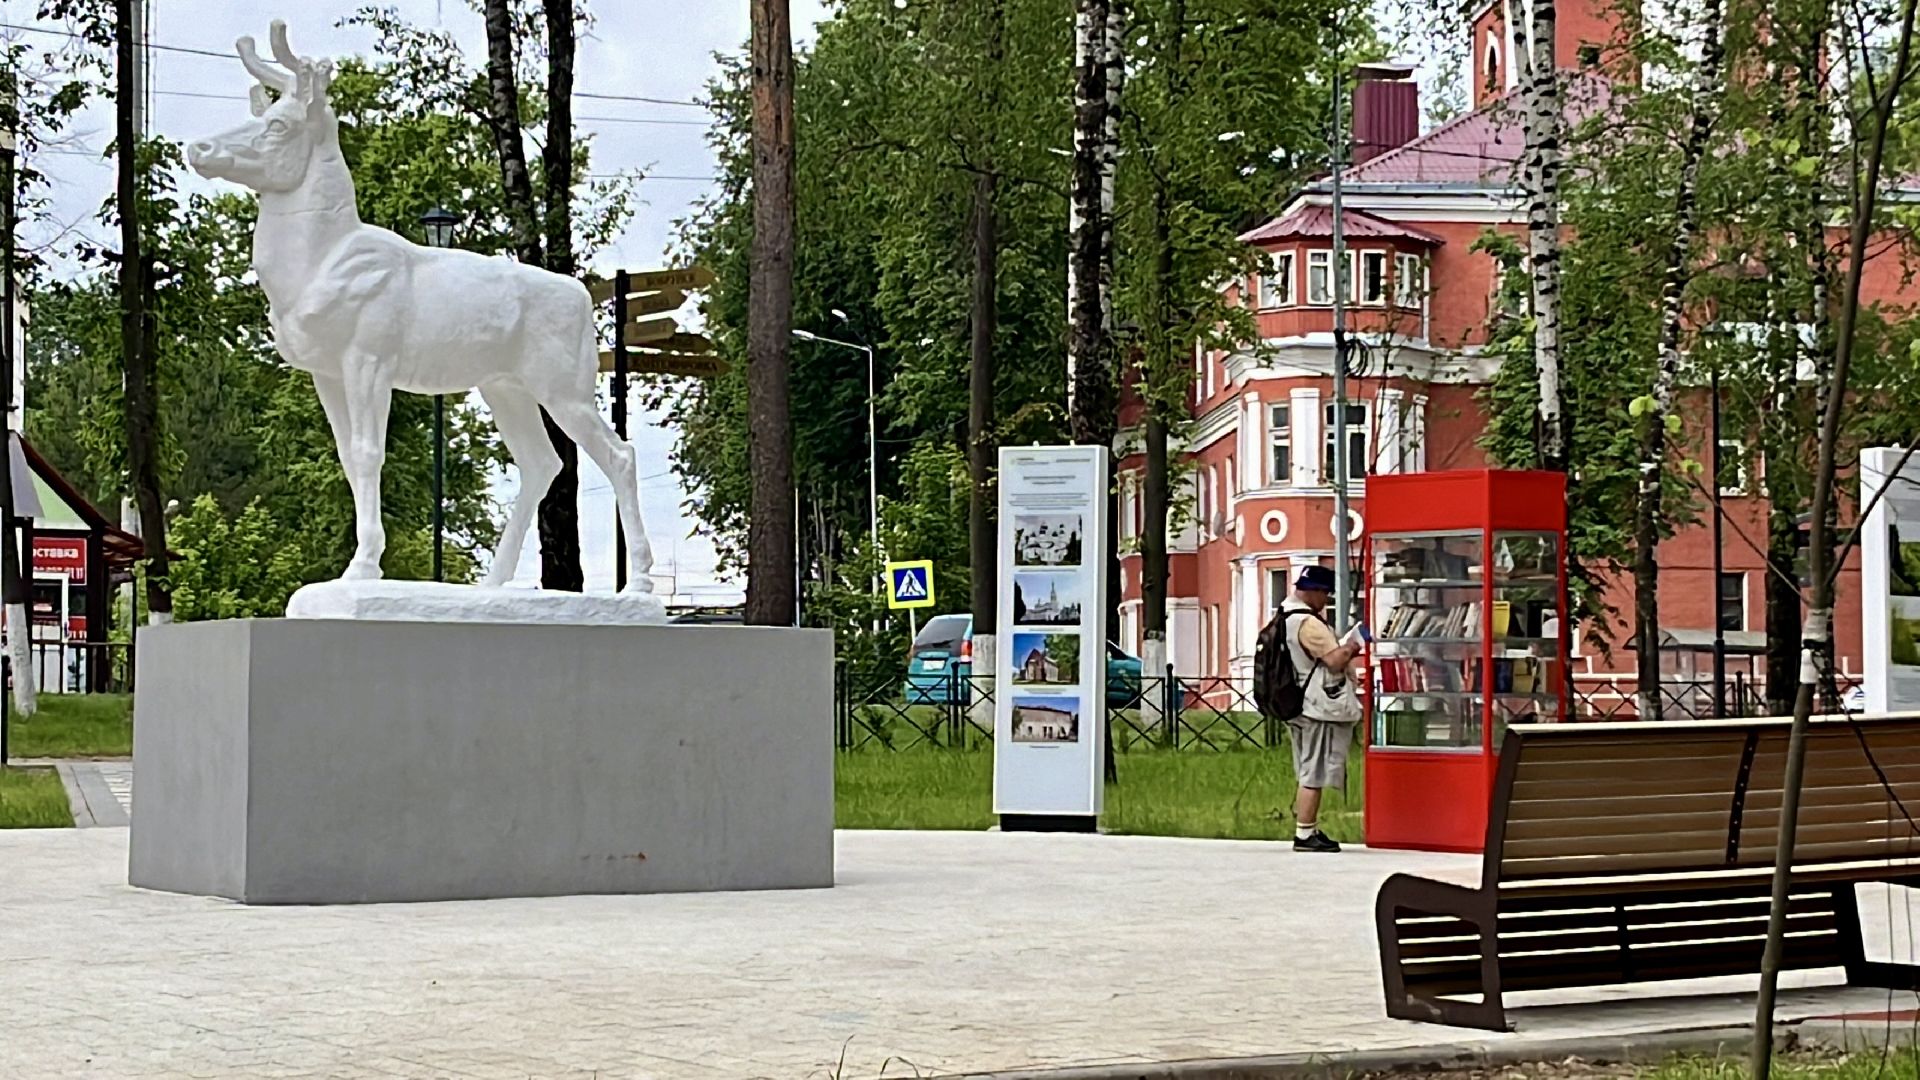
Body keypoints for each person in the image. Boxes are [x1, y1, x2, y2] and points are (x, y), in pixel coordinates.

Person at [1279, 565, 1365, 853]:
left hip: (1301, 702)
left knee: (1308, 766)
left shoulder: (1286, 616)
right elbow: (1334, 660)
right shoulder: (1308, 624)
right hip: (1318, 706)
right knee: (1313, 770)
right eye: (1324, 593)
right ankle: (1305, 833)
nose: (1325, 599)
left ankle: (1309, 828)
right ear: (1313, 591)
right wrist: (1353, 646)